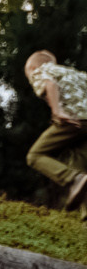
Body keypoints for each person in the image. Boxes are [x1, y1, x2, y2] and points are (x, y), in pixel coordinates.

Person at [23, 49, 87, 211]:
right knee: (81, 166)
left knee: (35, 155)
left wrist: (57, 111)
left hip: (73, 118)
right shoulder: (76, 74)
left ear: (32, 68)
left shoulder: (40, 70)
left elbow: (49, 83)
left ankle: (72, 179)